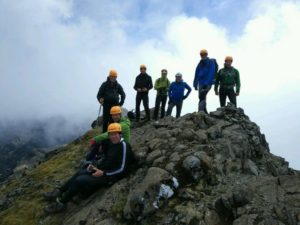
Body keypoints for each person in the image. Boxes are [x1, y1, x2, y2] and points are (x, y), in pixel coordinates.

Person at [43, 123, 135, 214]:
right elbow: (108, 159)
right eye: (111, 134)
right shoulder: (112, 143)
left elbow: (122, 168)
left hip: (111, 177)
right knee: (80, 172)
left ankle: (61, 203)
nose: (113, 136)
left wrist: (103, 173)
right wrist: (96, 166)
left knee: (79, 180)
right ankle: (59, 191)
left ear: (120, 134)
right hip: (103, 170)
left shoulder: (124, 145)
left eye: (115, 134)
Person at [193, 49, 218, 114]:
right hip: (200, 83)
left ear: (207, 54)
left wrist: (207, 83)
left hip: (208, 83)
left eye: (205, 54)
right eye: (202, 54)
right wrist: (195, 83)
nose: (203, 55)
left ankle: (200, 111)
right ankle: (204, 111)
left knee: (202, 95)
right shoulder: (200, 63)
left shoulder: (211, 62)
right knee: (201, 97)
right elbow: (196, 73)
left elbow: (211, 72)